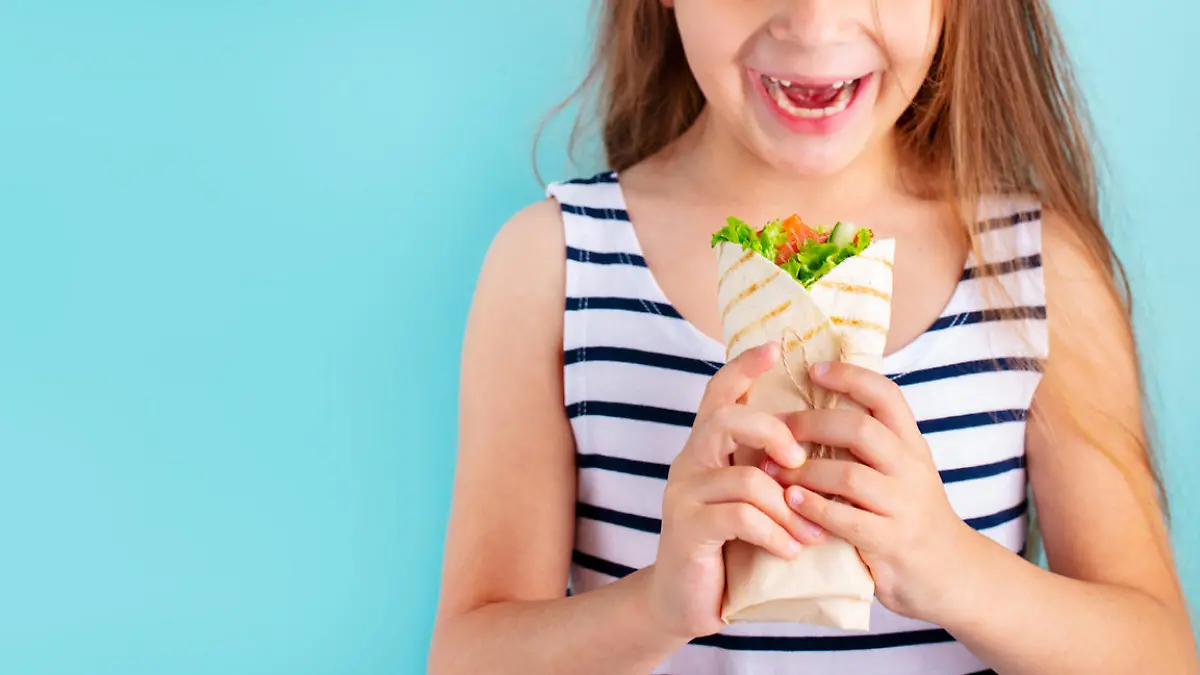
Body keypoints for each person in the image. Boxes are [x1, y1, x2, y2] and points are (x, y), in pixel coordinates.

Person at [428, 1, 1197, 673]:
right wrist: (657, 606)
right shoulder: (560, 266)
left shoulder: (1033, 270)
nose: (816, 21)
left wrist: (951, 568)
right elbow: (470, 657)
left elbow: (1160, 654)